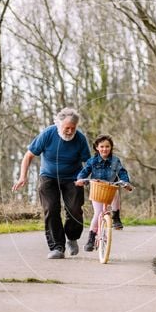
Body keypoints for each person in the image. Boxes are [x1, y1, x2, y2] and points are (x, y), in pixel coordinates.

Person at [12, 108, 92, 259]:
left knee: (74, 209)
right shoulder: (48, 134)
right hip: (48, 177)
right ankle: (57, 247)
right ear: (59, 125)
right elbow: (28, 155)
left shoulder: (80, 139)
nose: (69, 131)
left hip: (73, 178)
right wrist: (23, 176)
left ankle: (72, 237)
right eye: (66, 128)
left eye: (72, 128)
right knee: (51, 209)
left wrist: (88, 177)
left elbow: (88, 162)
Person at [75, 134, 133, 252]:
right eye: (101, 146)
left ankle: (116, 217)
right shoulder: (92, 161)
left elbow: (122, 172)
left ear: (111, 148)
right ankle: (91, 238)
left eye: (107, 146)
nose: (104, 149)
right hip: (97, 189)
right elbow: (84, 171)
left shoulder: (115, 161)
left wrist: (125, 182)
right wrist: (80, 179)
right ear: (97, 147)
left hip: (110, 187)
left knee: (116, 194)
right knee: (98, 213)